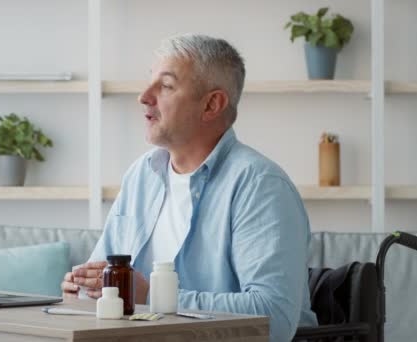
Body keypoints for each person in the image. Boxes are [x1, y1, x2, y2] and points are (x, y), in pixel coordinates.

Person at [61, 34, 318, 341]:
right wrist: (84, 288)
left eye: (166, 86)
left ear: (212, 104)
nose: (143, 96)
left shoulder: (260, 186)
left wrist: (152, 296)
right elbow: (107, 282)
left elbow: (273, 317)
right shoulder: (141, 176)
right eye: (149, 82)